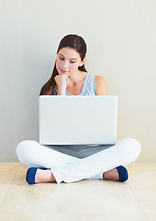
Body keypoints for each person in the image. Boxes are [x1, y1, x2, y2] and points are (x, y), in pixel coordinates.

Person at [16, 34, 141, 184]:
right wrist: (61, 89)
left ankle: (53, 176)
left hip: (94, 151)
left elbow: (104, 124)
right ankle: (98, 173)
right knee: (24, 149)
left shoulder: (97, 82)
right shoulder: (50, 88)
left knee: (132, 146)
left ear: (82, 62)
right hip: (60, 151)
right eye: (61, 58)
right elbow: (54, 129)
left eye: (72, 61)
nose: (64, 66)